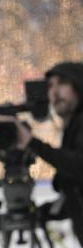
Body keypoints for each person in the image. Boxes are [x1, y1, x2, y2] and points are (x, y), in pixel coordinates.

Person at [14, 62, 83, 244]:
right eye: (50, 85)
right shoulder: (72, 128)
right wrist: (46, 211)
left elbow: (78, 166)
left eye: (62, 83)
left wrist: (32, 143)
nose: (55, 92)